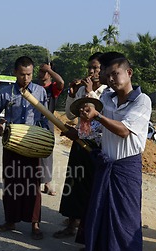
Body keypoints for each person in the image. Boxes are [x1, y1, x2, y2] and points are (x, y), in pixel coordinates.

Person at [81, 52, 151, 251]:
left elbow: (123, 131)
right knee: (103, 213)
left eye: (116, 74)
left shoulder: (142, 101)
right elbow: (98, 130)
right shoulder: (108, 100)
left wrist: (97, 115)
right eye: (107, 75)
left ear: (128, 73)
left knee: (129, 220)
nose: (111, 79)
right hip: (106, 162)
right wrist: (84, 125)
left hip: (127, 167)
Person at [0, 56, 48, 240]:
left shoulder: (40, 92)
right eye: (22, 74)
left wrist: (45, 139)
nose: (26, 78)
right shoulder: (5, 93)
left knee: (33, 185)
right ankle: (10, 220)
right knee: (12, 183)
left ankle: (35, 223)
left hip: (33, 143)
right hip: (12, 143)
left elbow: (45, 118)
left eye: (29, 74)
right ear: (15, 73)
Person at [53, 52, 107, 239]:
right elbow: (70, 115)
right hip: (79, 140)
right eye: (90, 68)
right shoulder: (84, 89)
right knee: (73, 182)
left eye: (96, 68)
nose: (92, 71)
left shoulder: (106, 93)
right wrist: (73, 93)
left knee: (87, 186)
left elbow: (97, 116)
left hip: (94, 145)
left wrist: (90, 92)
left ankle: (84, 227)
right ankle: (71, 223)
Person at [37, 62, 65, 196]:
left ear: (50, 73)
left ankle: (47, 182)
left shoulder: (52, 88)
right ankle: (35, 182)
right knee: (32, 149)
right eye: (40, 71)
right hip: (33, 121)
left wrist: (50, 70)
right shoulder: (34, 87)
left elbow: (61, 82)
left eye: (44, 71)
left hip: (48, 121)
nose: (41, 73)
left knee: (47, 152)